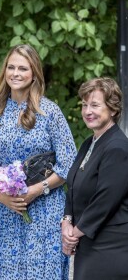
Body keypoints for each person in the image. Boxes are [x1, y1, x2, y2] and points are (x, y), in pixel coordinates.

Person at [0, 44, 77, 280]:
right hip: (8, 210)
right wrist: (0, 195)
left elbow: (68, 163)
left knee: (41, 272)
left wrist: (36, 190)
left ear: (34, 73)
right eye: (11, 67)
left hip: (45, 209)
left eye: (23, 68)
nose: (16, 73)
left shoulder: (49, 112)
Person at [62, 77, 128, 280]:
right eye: (84, 105)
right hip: (88, 241)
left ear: (113, 109)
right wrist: (67, 220)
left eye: (95, 105)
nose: (88, 111)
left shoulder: (118, 147)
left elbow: (105, 200)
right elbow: (72, 186)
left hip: (110, 245)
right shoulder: (89, 143)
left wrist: (74, 233)